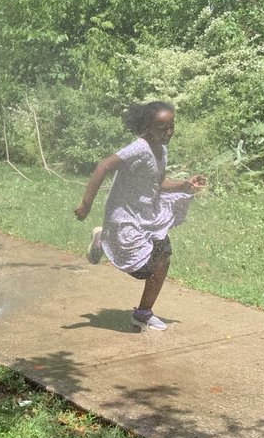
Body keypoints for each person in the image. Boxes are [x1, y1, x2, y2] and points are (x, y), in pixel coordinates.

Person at [74, 101, 206, 332]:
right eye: (162, 127)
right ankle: (103, 240)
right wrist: (86, 204)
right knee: (144, 270)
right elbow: (103, 166)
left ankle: (143, 313)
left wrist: (184, 185)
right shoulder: (140, 148)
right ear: (147, 127)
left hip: (147, 215)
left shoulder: (161, 150)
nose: (169, 132)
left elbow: (158, 182)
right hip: (124, 217)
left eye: (171, 126)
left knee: (163, 257)